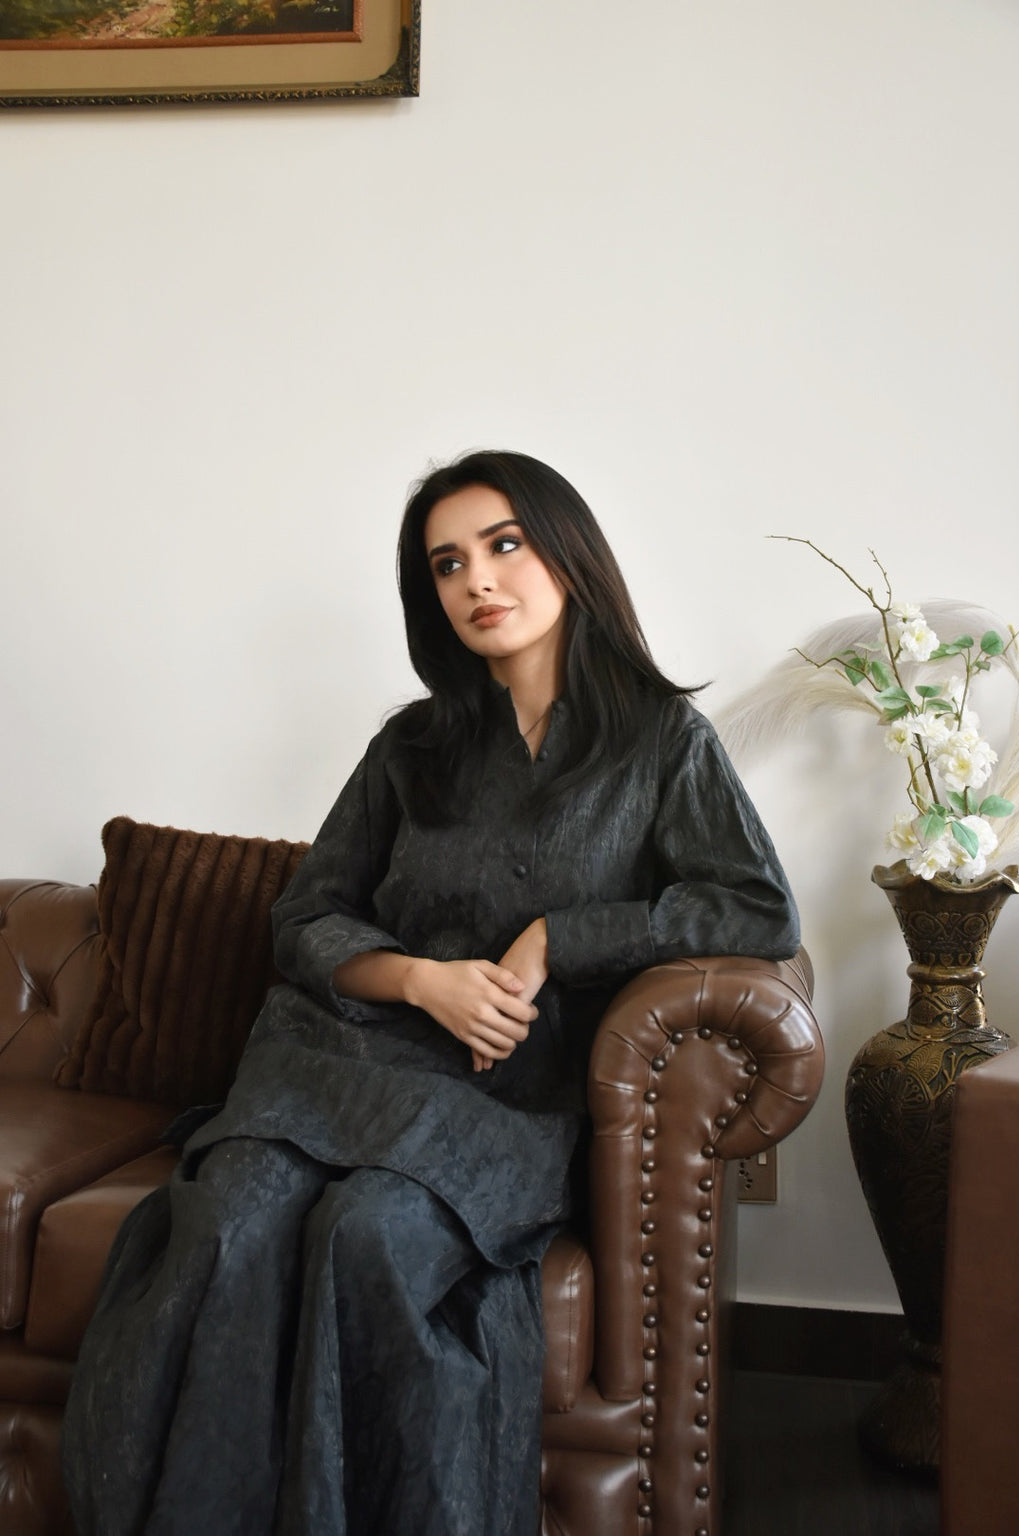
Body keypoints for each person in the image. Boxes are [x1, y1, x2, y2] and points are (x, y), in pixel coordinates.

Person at [62, 450, 799, 1536]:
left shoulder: (661, 743)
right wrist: (418, 979)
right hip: (340, 1058)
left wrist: (557, 938)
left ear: (569, 554)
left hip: (504, 1094)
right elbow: (304, 918)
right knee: (224, 1219)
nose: (476, 581)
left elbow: (755, 909)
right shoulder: (411, 745)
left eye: (503, 545)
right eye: (447, 565)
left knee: (372, 1234)